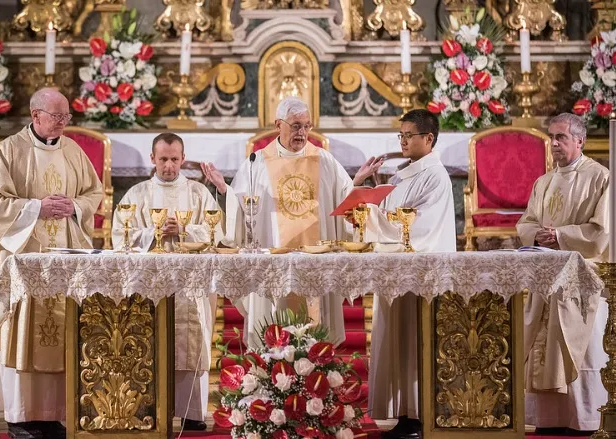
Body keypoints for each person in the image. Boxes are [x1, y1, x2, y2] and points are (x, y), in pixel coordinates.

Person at [201, 96, 381, 348]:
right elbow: (241, 210)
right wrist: (224, 189)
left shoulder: (323, 159)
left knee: (316, 337)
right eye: (296, 125)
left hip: (316, 262)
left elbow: (343, 202)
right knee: (274, 338)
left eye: (307, 126)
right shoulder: (257, 162)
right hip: (273, 262)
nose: (303, 132)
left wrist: (357, 182)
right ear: (278, 124)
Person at [0, 88, 103, 439]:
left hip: (65, 258)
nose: (64, 123)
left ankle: (60, 412)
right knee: (23, 328)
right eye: (57, 116)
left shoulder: (73, 151)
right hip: (25, 259)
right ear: (36, 116)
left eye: (67, 116)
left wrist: (75, 208)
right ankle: (23, 414)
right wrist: (36, 208)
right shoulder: (11, 150)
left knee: (63, 330)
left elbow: (93, 192)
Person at [112, 133, 222, 430]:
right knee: (149, 344)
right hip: (150, 286)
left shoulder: (199, 193)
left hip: (192, 285)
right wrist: (155, 232)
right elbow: (119, 236)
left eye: (175, 159)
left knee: (191, 341)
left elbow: (218, 232)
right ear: (152, 159)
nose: (170, 166)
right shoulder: (137, 195)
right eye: (163, 159)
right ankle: (148, 408)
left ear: (183, 159)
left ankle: (192, 413)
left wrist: (185, 230)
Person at [360, 109, 456, 439]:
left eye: (408, 136)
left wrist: (371, 215)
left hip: (420, 275)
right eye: (400, 135)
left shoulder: (435, 176)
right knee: (397, 341)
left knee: (415, 341)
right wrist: (369, 205)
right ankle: (403, 412)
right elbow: (393, 215)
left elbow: (417, 227)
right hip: (397, 272)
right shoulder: (404, 174)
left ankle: (418, 415)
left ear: (428, 138)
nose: (402, 141)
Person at [517, 112, 609, 436]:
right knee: (543, 348)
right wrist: (536, 236)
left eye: (561, 137)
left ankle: (584, 418)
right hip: (545, 277)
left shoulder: (601, 178)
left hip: (581, 280)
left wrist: (560, 236)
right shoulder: (543, 182)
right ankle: (548, 418)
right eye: (551, 138)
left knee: (580, 348)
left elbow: (601, 232)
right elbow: (526, 222)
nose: (554, 143)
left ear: (580, 140)